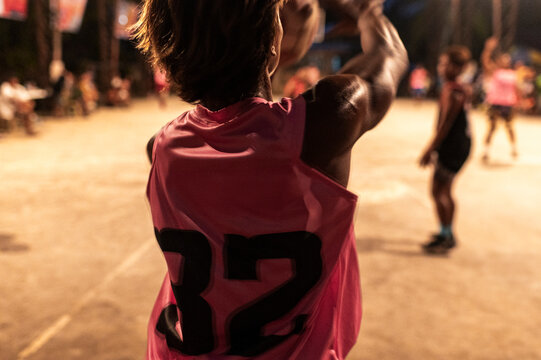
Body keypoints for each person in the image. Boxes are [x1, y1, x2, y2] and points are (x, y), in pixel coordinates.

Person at [134, 0, 407, 358]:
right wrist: (365, 12)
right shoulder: (325, 123)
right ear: (273, 41)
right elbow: (389, 55)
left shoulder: (161, 149)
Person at [419, 46, 472, 255]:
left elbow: (445, 124)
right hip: (459, 145)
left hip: (453, 146)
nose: (441, 67)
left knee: (439, 191)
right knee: (444, 190)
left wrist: (429, 148)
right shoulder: (460, 88)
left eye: (444, 63)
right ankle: (446, 232)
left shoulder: (451, 90)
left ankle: (446, 236)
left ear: (456, 67)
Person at [481, 37, 519, 160]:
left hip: (508, 104)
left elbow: (517, 89)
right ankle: (486, 151)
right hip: (495, 103)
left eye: (507, 59)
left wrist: (520, 101)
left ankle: (514, 148)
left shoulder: (513, 74)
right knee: (492, 127)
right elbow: (485, 61)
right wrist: (488, 49)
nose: (505, 61)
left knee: (509, 127)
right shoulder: (495, 71)